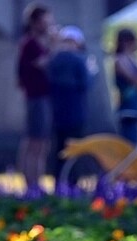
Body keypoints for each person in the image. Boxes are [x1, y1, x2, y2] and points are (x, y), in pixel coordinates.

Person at [17, 3, 56, 197]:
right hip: (36, 98)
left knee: (42, 142)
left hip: (43, 97)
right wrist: (53, 46)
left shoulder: (38, 43)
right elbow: (40, 65)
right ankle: (31, 183)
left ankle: (36, 182)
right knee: (35, 142)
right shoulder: (30, 44)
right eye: (45, 20)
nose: (48, 24)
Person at [47, 25, 92, 187]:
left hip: (57, 111)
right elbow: (86, 84)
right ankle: (72, 183)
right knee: (74, 149)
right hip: (76, 111)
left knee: (59, 149)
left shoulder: (54, 59)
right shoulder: (79, 60)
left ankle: (58, 182)